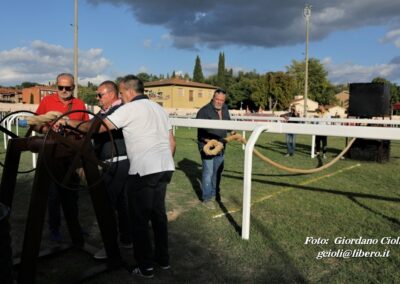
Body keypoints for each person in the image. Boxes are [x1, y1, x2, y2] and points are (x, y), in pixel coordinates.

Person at [60, 75, 175, 279]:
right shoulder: (158, 109)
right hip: (165, 167)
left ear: (128, 91)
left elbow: (98, 127)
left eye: (121, 93)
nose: (121, 97)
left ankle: (145, 267)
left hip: (143, 170)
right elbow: (171, 142)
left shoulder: (129, 109)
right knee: (158, 216)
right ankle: (163, 260)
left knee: (139, 219)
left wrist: (69, 122)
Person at [35, 73, 89, 242]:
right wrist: (46, 130)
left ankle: (75, 227)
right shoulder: (47, 102)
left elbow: (86, 128)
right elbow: (37, 123)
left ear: (73, 87)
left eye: (68, 87)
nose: (64, 90)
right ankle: (54, 229)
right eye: (61, 87)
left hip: (72, 156)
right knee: (53, 195)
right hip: (52, 155)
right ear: (56, 87)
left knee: (72, 194)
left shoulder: (79, 104)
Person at [91, 80, 132, 259]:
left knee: (107, 206)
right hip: (112, 163)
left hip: (118, 162)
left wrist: (73, 124)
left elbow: (94, 128)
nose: (97, 98)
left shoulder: (120, 110)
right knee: (123, 205)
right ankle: (126, 239)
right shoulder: (103, 112)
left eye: (100, 95)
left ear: (111, 94)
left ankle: (109, 247)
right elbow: (89, 127)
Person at [196, 88, 231, 209]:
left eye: (222, 100)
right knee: (208, 172)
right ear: (213, 98)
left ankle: (216, 195)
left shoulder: (225, 108)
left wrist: (232, 131)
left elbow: (228, 124)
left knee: (218, 172)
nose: (219, 102)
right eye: (217, 99)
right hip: (207, 147)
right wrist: (210, 142)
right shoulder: (203, 111)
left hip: (221, 146)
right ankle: (207, 198)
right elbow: (200, 133)